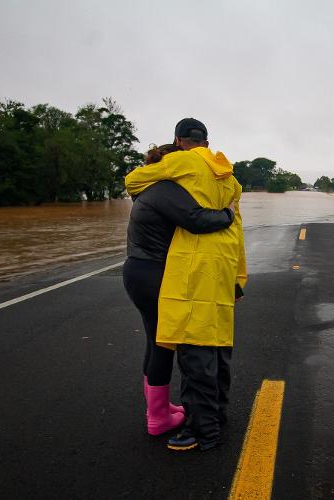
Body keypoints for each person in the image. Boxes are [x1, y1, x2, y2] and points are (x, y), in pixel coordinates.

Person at [125, 118, 247, 451]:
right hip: (221, 268)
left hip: (189, 270)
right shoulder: (230, 180)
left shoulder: (177, 171)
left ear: (179, 143)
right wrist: (238, 278)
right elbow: (234, 229)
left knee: (192, 349)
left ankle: (199, 427)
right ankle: (212, 415)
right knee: (217, 345)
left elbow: (132, 181)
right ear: (206, 142)